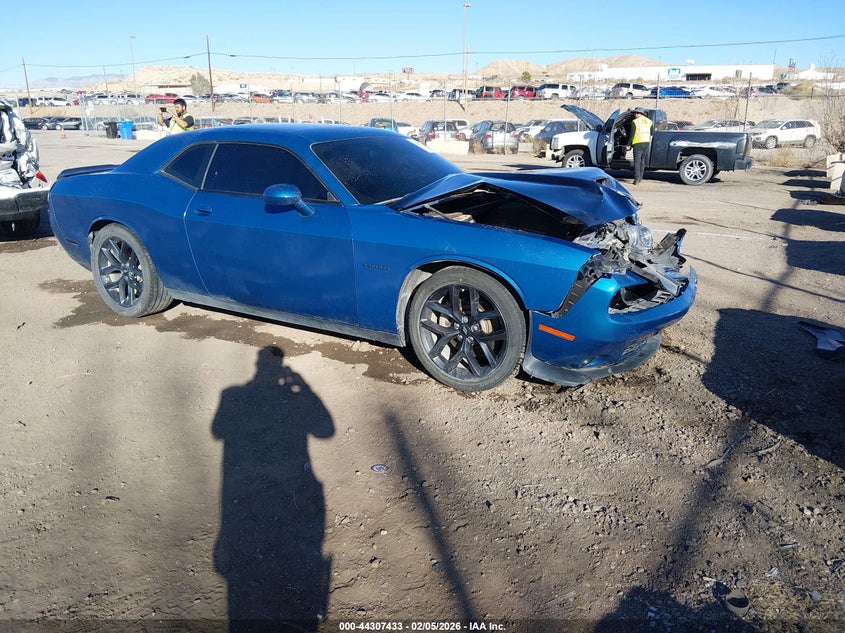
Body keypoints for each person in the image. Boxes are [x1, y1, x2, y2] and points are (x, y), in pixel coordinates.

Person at [626, 108, 653, 185]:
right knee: (642, 161)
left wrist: (628, 145)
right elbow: (651, 132)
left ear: (639, 114)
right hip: (646, 143)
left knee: (637, 162)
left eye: (635, 113)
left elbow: (631, 135)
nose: (634, 115)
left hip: (638, 143)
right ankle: (640, 178)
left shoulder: (635, 122)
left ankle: (636, 179)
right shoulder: (649, 121)